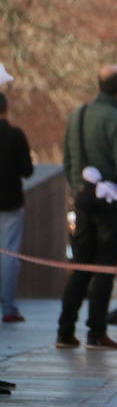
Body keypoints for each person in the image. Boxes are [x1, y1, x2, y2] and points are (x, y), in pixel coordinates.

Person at [56, 64, 117, 350]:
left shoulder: (78, 114)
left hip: (83, 201)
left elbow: (67, 162)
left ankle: (64, 332)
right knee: (104, 268)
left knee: (80, 267)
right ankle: (96, 332)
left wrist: (80, 189)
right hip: (111, 206)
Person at [0, 92, 33, 323]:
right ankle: (9, 308)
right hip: (10, 201)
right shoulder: (15, 135)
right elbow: (27, 170)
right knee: (9, 256)